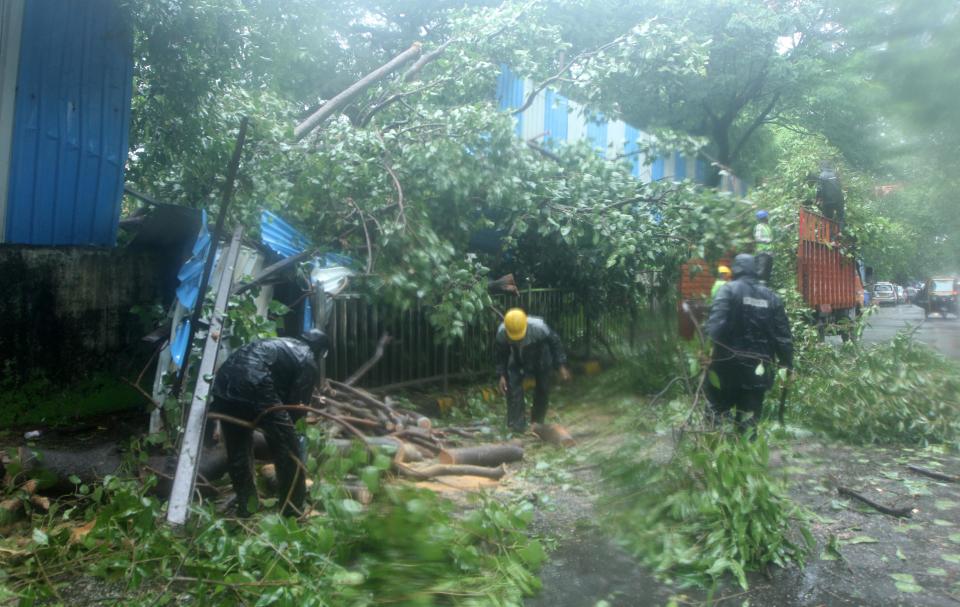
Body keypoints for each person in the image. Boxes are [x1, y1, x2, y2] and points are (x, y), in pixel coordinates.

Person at [210, 329, 329, 517]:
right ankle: (293, 510)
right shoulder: (307, 359)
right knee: (289, 450)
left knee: (237, 449)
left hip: (223, 383)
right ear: (320, 351)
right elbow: (296, 407)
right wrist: (283, 434)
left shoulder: (280, 343)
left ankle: (246, 507)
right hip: (255, 381)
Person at [705, 254, 793, 434]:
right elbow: (783, 337)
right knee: (748, 425)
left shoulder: (727, 291)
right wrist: (788, 367)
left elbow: (715, 324)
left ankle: (717, 451)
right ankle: (745, 455)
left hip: (725, 368)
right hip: (757, 372)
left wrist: (705, 352)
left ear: (735, 269)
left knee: (717, 415)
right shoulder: (772, 297)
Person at [495, 308, 571, 432]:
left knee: (543, 388)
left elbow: (555, 343)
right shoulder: (502, 333)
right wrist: (502, 375)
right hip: (516, 356)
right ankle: (516, 426)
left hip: (540, 355)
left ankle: (537, 424)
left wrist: (561, 366)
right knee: (513, 388)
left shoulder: (539, 328)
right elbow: (501, 355)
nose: (517, 339)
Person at [753, 210, 774, 284]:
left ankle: (764, 289)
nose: (768, 218)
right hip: (762, 253)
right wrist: (767, 240)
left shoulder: (767, 227)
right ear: (764, 217)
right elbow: (757, 238)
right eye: (767, 216)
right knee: (761, 273)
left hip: (769, 254)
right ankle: (759, 290)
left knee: (767, 274)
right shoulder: (759, 227)